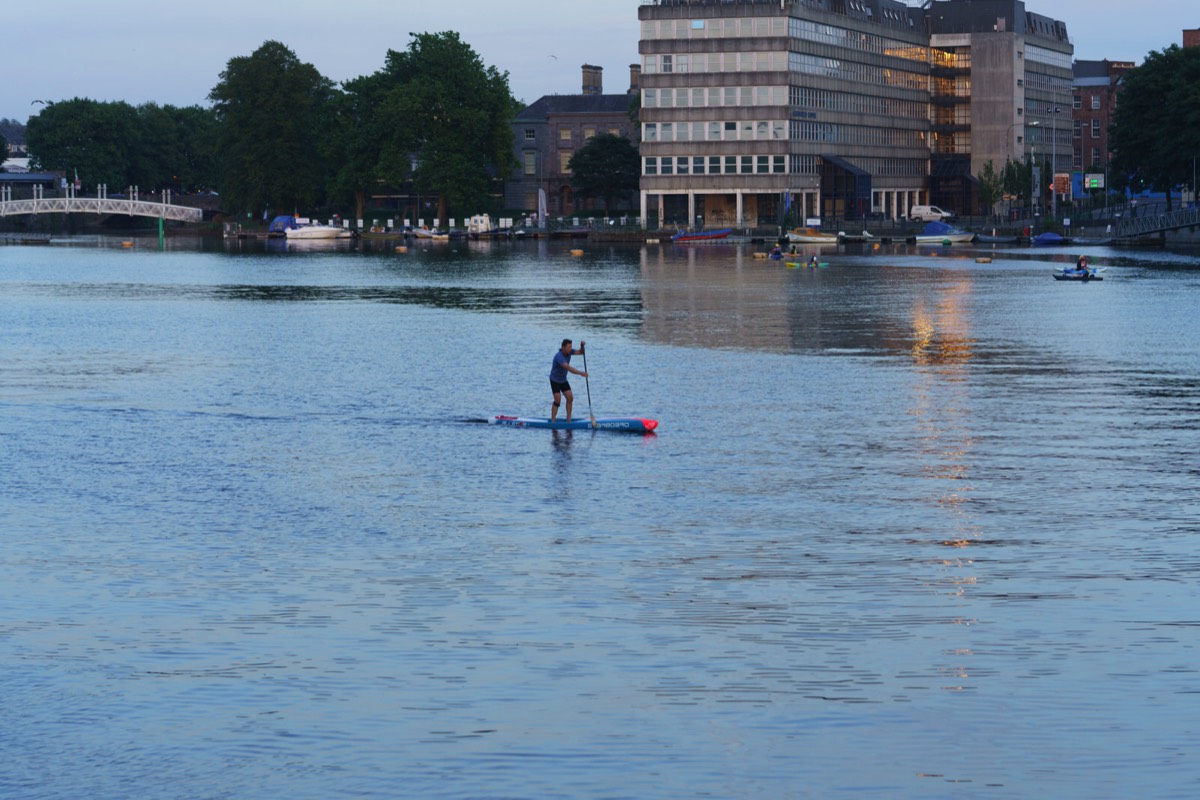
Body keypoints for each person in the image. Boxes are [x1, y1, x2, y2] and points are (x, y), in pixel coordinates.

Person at [549, 339, 587, 423]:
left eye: (571, 347)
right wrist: (581, 373)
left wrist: (582, 346)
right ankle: (553, 421)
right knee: (557, 400)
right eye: (569, 347)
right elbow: (568, 368)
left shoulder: (569, 352)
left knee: (570, 398)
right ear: (563, 347)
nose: (570, 349)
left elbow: (581, 352)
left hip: (563, 380)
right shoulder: (559, 356)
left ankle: (569, 420)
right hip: (554, 380)